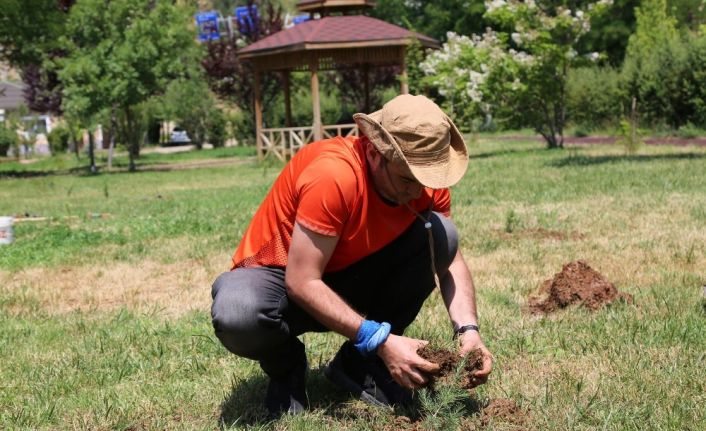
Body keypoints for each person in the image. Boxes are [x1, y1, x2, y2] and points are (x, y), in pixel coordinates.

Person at [211, 94, 493, 416]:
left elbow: (449, 261)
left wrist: (469, 331)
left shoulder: (422, 180)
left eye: (425, 179)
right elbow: (302, 282)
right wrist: (382, 339)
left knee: (443, 235)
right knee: (238, 313)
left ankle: (359, 365)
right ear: (375, 152)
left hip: (352, 274)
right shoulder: (334, 175)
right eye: (407, 179)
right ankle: (287, 369)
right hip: (284, 278)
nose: (418, 190)